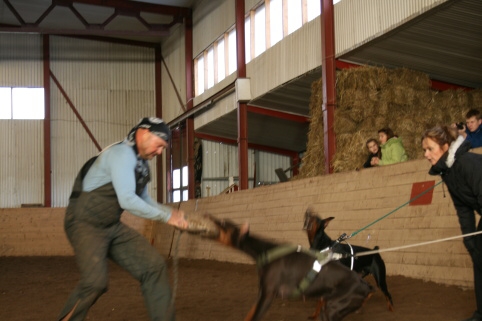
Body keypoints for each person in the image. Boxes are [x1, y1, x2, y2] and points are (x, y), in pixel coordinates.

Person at [57, 117, 189, 321]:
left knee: (153, 266)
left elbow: (144, 198)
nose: (160, 152)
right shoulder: (121, 154)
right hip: (84, 224)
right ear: (144, 133)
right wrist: (166, 217)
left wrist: (171, 214)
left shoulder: (141, 165)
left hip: (111, 226)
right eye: (159, 145)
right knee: (95, 282)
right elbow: (127, 200)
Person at [422, 125, 482, 321]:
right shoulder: (448, 172)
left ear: (446, 147)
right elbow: (463, 208)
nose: (426, 154)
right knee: (478, 256)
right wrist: (469, 238)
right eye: (424, 150)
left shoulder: (467, 163)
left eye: (430, 148)